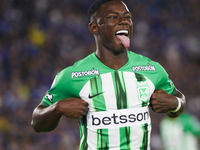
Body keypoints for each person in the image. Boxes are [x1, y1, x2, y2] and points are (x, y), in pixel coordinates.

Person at [31, 0, 186, 149]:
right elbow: (37, 123)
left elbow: (178, 101)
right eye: (113, 17)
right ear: (94, 28)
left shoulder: (152, 69)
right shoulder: (72, 76)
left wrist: (175, 104)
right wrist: (56, 108)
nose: (124, 21)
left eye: (128, 17)